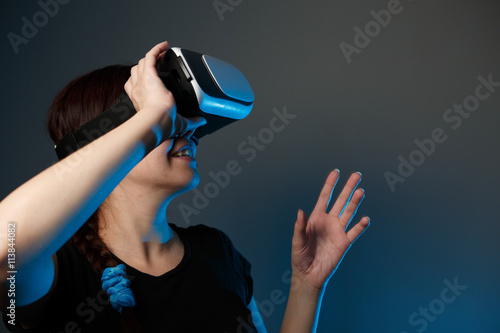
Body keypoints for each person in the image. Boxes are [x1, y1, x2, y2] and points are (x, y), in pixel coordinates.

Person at [0, 41, 370, 333]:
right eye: (164, 115)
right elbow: (6, 243)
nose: (187, 128)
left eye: (178, 115)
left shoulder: (217, 251)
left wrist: (307, 286)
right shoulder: (51, 268)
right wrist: (152, 121)